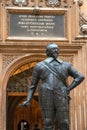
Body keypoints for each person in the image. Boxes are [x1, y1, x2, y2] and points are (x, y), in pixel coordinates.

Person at [21, 43, 85, 130]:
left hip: (61, 94)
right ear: (47, 52)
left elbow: (80, 77)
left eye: (56, 49)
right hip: (46, 94)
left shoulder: (66, 65)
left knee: (64, 121)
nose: (55, 50)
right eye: (53, 49)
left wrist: (68, 89)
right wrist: (28, 99)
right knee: (48, 122)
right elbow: (33, 85)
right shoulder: (39, 66)